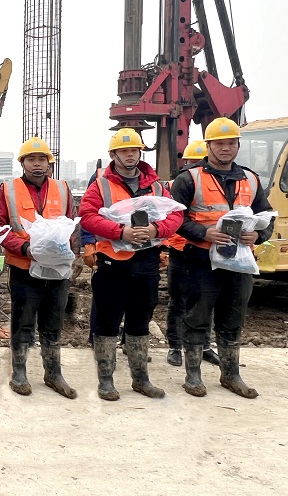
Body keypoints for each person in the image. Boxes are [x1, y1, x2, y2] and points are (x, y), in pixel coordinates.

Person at [169, 118, 274, 398]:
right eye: (219, 143)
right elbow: (174, 219)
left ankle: (231, 375)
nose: (226, 148)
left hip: (240, 262)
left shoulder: (250, 179)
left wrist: (259, 235)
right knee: (197, 316)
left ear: (238, 145)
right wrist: (204, 232)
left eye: (231, 143)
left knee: (233, 318)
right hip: (201, 261)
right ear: (209, 146)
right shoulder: (189, 178)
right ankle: (193, 376)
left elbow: (267, 215)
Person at [78, 128, 182, 401]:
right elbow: (87, 216)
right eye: (124, 151)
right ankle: (106, 381)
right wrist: (119, 232)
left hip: (146, 262)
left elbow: (175, 216)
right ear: (113, 154)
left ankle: (140, 379)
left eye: (134, 150)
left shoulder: (157, 186)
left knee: (140, 320)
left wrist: (157, 230)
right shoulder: (101, 185)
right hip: (113, 262)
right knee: (107, 321)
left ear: (140, 153)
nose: (130, 155)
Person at [0, 137, 78, 399]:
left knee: (53, 322)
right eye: (31, 159)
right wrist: (24, 248)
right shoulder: (8, 190)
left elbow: (71, 224)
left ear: (49, 163)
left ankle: (53, 373)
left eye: (42, 159)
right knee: (23, 321)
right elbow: (0, 228)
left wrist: (69, 251)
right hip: (24, 267)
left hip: (58, 270)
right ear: (23, 163)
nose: (37, 164)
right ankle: (19, 372)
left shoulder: (62, 188)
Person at [165, 139, 220, 367]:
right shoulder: (175, 185)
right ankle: (175, 346)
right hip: (180, 251)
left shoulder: (214, 184)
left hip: (204, 252)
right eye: (192, 162)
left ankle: (204, 346)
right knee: (178, 301)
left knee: (205, 301)